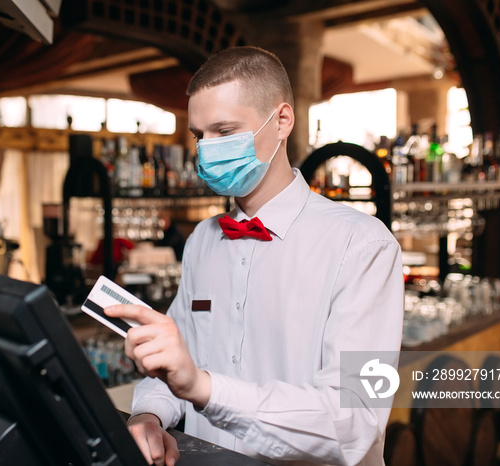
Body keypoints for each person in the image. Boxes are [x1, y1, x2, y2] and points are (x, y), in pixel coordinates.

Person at [105, 46, 404, 466]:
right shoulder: (202, 241)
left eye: (224, 132)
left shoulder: (363, 246)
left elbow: (355, 421)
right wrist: (150, 414)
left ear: (282, 121)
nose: (206, 149)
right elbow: (179, 365)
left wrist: (206, 390)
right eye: (198, 135)